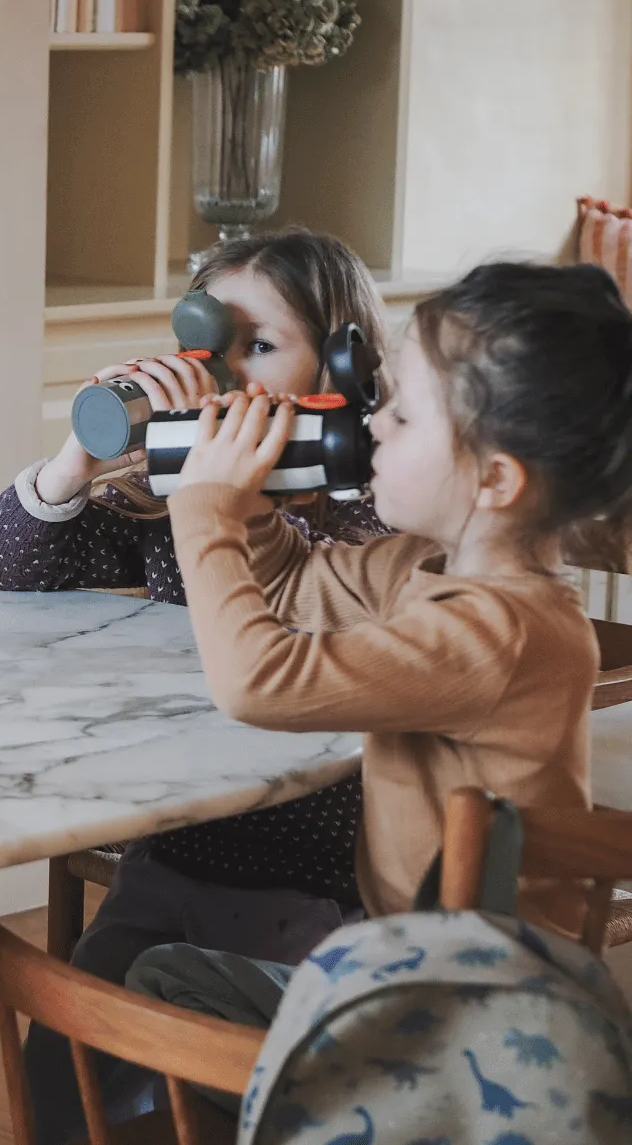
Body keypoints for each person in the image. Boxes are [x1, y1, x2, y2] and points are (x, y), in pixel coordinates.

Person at [125, 260, 630, 1116]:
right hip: (402, 950)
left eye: (400, 412)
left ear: (496, 481)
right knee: (163, 976)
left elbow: (258, 680)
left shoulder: (496, 631)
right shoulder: (425, 569)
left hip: (471, 1005)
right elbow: (291, 584)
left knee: (156, 996)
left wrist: (202, 514)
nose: (373, 426)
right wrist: (248, 507)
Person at [0, 228, 391, 1144]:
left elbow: (340, 594)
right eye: (207, 345)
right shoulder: (174, 487)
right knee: (72, 1060)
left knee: (256, 1097)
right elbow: (10, 566)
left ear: (345, 361)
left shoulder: (373, 502)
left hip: (320, 875)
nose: (225, 374)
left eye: (259, 346)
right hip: (172, 852)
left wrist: (238, 505)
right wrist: (83, 458)